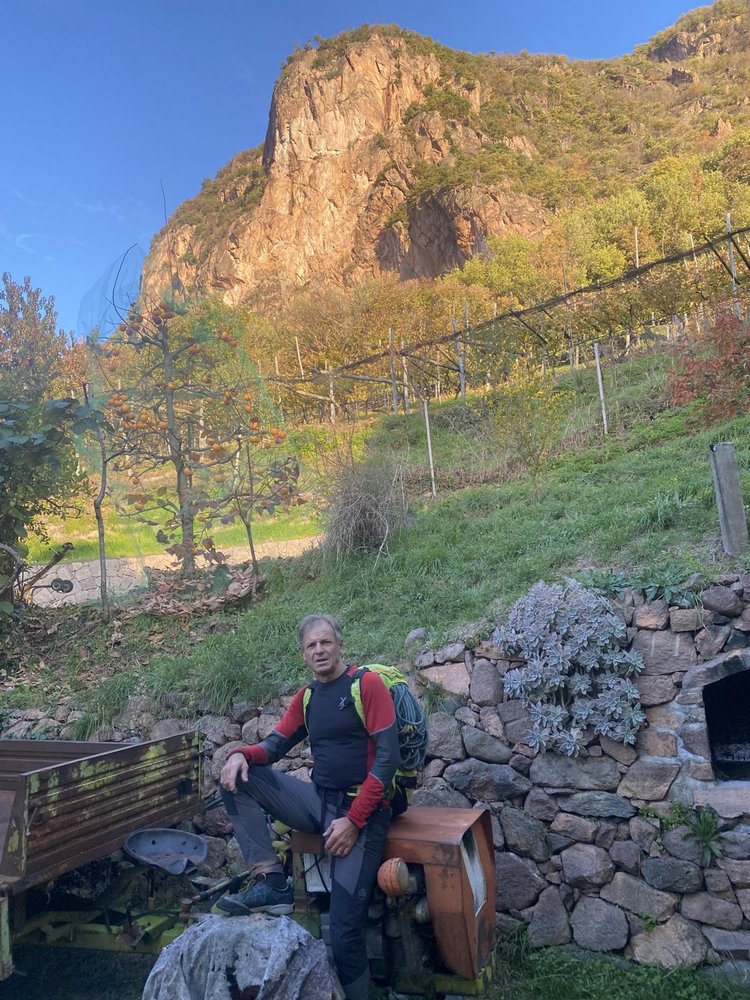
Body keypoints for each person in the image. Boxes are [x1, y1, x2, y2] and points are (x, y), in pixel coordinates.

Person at [217, 613, 400, 1000]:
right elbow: (274, 745)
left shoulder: (366, 685)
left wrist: (354, 821)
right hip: (319, 803)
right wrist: (239, 754)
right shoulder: (308, 697)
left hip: (364, 814)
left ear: (340, 646)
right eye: (311, 645)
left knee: (344, 931)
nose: (319, 650)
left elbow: (388, 759)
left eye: (325, 642)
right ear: (303, 654)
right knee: (238, 777)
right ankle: (271, 882)